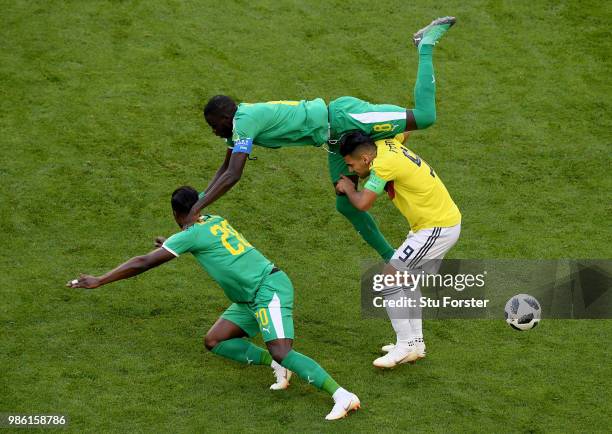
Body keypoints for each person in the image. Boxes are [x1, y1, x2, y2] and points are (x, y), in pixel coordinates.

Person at [66, 186, 360, 420]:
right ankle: (277, 366)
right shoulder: (213, 219)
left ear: (175, 212)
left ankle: (342, 395)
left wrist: (100, 280)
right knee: (215, 340)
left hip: (267, 290)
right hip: (249, 296)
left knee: (283, 349)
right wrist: (172, 243)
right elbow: (202, 242)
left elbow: (144, 263)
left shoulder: (189, 235)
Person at [187, 17, 457, 262]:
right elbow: (225, 168)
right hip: (334, 141)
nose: (213, 131)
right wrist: (198, 200)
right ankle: (391, 258)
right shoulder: (239, 128)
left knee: (424, 116)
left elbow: (234, 173)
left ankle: (425, 43)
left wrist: (197, 207)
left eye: (212, 125)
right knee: (346, 204)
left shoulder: (243, 121)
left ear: (224, 117)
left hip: (344, 118)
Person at [335, 131, 461, 368]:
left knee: (388, 279)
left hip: (436, 228)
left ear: (365, 159)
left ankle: (404, 346)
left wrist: (348, 188)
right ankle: (416, 344)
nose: (351, 170)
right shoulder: (388, 142)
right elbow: (406, 131)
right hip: (439, 223)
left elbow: (363, 204)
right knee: (406, 281)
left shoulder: (382, 165)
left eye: (351, 165)